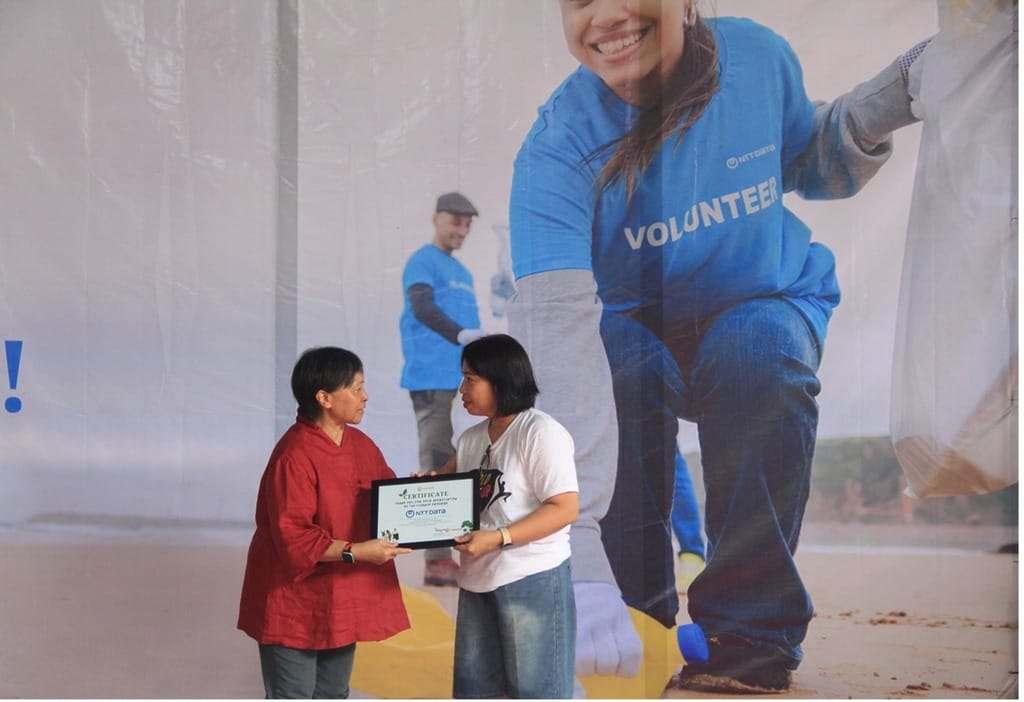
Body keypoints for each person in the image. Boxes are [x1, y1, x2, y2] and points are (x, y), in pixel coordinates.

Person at [506, 0, 929, 693]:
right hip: (633, 328)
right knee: (610, 369)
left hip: (758, 297)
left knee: (758, 356)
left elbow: (810, 157)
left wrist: (898, 91)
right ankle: (633, 614)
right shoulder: (556, 151)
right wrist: (576, 553)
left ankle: (748, 631)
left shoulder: (757, 58)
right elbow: (556, 340)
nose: (606, 16)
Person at [238, 346, 411, 699]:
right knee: (294, 694)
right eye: (357, 388)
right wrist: (357, 552)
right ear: (324, 398)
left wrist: (423, 498)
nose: (365, 396)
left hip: (339, 597)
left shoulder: (361, 445)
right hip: (293, 599)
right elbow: (294, 537)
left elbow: (389, 499)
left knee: (334, 693)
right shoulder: (294, 455)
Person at [431, 334, 579, 698]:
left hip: (532, 577)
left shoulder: (540, 432)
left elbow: (565, 507)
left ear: (499, 379)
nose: (461, 389)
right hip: (476, 580)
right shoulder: (471, 438)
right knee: (474, 692)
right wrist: (423, 492)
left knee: (536, 692)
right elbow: (446, 486)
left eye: (470, 379)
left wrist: (499, 538)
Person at [399, 191, 486, 587]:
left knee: (467, 457)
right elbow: (422, 308)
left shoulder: (464, 273)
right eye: (455, 220)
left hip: (463, 379)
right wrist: (459, 334)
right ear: (436, 218)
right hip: (431, 378)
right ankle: (436, 560)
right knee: (437, 458)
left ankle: (466, 544)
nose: (462, 229)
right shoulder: (422, 261)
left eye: (467, 224)